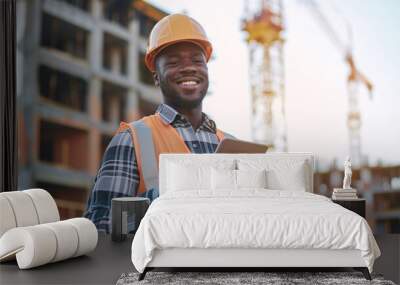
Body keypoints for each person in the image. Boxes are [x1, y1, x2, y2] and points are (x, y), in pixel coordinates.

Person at [84, 14, 235, 232]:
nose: (188, 68)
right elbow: (101, 228)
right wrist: (167, 199)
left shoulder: (231, 145)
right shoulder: (132, 139)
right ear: (157, 77)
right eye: (174, 62)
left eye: (196, 60)